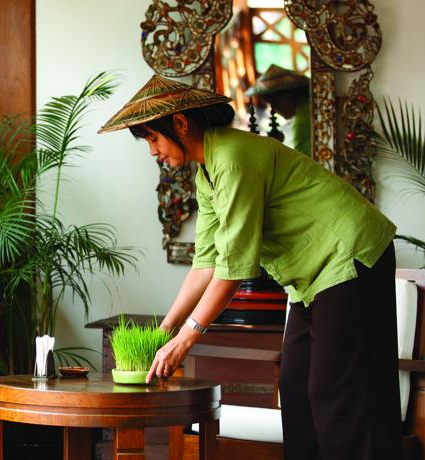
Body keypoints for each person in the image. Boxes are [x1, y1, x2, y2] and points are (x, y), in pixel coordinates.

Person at [99, 75, 400, 459]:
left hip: (351, 255)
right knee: (295, 388)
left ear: (180, 123)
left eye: (153, 138)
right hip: (313, 277)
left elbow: (234, 268)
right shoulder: (207, 173)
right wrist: (165, 331)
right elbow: (206, 263)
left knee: (332, 391)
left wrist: (188, 337)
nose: (152, 151)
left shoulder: (232, 158)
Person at [246, 64, 311, 157]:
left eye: (275, 105)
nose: (277, 111)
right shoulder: (307, 107)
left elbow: (303, 161)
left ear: (285, 97)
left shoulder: (302, 120)